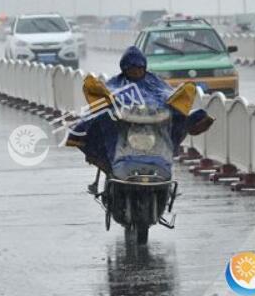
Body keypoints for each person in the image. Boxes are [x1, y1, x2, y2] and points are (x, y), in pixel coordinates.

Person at [66, 46, 213, 193]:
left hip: (155, 132)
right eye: (131, 68)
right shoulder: (115, 85)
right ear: (124, 69)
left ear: (144, 67)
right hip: (123, 130)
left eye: (139, 67)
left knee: (181, 118)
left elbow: (168, 96)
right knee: (93, 123)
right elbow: (106, 98)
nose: (136, 71)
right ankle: (108, 166)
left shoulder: (156, 84)